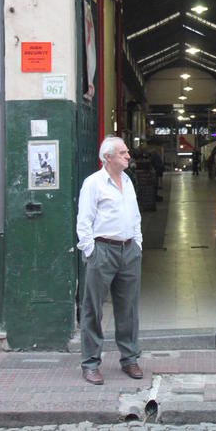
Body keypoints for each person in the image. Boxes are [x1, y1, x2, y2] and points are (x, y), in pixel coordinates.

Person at [76, 136, 143, 385]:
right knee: (93, 308)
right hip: (103, 250)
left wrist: (138, 243)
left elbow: (135, 216)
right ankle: (90, 363)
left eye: (127, 152)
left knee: (128, 308)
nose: (128, 156)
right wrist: (91, 251)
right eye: (123, 153)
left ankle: (130, 358)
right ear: (108, 158)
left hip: (129, 250)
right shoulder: (93, 184)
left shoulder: (128, 181)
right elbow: (84, 221)